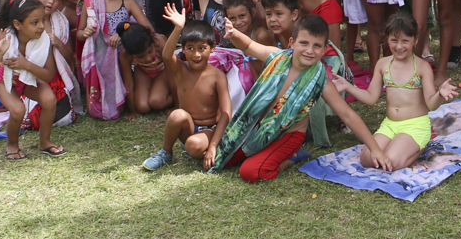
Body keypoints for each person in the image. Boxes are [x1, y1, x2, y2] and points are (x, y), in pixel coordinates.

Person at [216, 14, 395, 181]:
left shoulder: (320, 80)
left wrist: (375, 149)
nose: (309, 51)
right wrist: (234, 34)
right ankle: (260, 149)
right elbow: (248, 46)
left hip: (288, 136)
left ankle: (293, 158)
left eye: (317, 46)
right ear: (292, 43)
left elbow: (348, 115)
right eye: (304, 43)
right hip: (258, 127)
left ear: (325, 49)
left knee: (250, 172)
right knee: (223, 155)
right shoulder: (277, 57)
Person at [330, 13, 458, 169]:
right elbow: (371, 98)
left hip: (415, 125)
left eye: (405, 41)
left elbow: (431, 104)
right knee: (367, 159)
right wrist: (348, 86)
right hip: (389, 125)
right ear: (387, 39)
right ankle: (401, 146)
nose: (399, 46)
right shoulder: (383, 64)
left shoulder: (422, 66)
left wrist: (440, 94)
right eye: (394, 40)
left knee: (391, 162)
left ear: (415, 40)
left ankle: (421, 147)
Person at [143, 11, 230, 171]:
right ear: (182, 49)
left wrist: (213, 145)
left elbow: (226, 113)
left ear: (212, 48)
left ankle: (206, 150)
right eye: (190, 48)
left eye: (202, 48)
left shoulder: (218, 76)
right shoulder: (181, 69)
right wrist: (178, 29)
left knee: (192, 146)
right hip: (188, 128)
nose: (196, 54)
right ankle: (165, 153)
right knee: (177, 115)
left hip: (209, 130)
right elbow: (167, 55)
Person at [0, 0, 66, 159]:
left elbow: (48, 75)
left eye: (42, 20)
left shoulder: (43, 41)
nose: (41, 27)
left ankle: (45, 142)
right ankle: (12, 144)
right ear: (17, 25)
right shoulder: (5, 40)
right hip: (4, 81)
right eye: (34, 22)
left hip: (28, 79)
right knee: (18, 110)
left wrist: (26, 65)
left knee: (49, 99)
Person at [120, 23, 174, 117]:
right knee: (142, 107)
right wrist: (133, 111)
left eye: (150, 51)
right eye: (140, 56)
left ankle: (177, 97)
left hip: (164, 71)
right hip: (143, 72)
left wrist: (178, 105)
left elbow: (172, 73)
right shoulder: (124, 55)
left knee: (156, 102)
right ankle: (154, 90)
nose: (148, 58)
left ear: (153, 42)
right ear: (130, 53)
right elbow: (128, 84)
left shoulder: (160, 43)